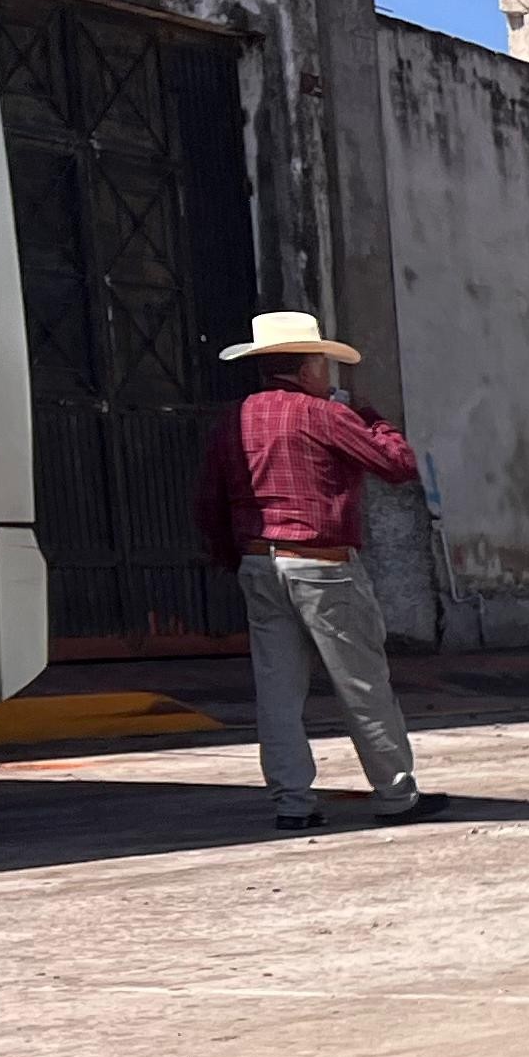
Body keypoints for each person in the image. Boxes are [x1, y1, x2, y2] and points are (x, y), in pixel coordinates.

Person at [193, 310, 444, 830]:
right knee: (362, 684)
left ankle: (292, 802)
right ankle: (395, 795)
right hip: (321, 562)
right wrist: (371, 416)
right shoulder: (324, 415)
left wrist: (231, 556)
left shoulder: (234, 420)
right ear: (308, 367)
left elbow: (210, 502)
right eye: (323, 362)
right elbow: (396, 464)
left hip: (260, 562)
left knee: (278, 691)